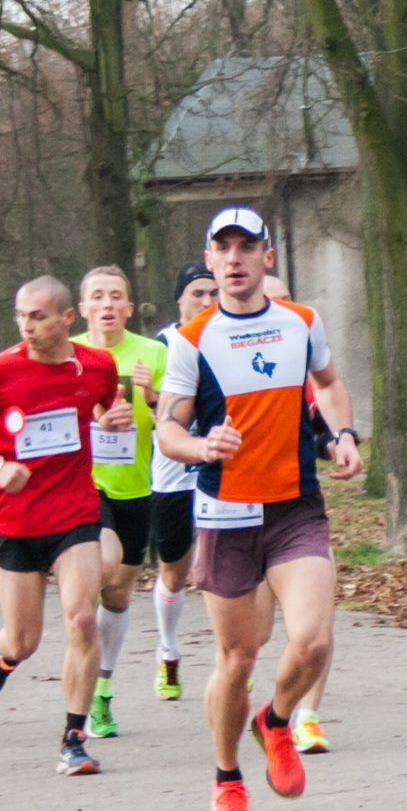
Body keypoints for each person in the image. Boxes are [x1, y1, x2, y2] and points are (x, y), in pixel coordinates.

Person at [156, 205, 363, 811]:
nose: (237, 257)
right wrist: (199, 447)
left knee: (313, 641)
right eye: (226, 248)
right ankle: (227, 782)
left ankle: (275, 722)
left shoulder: (301, 322)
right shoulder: (191, 339)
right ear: (212, 260)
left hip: (295, 506)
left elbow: (327, 384)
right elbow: (167, 429)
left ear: (266, 257)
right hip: (224, 514)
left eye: (249, 246)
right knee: (238, 656)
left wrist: (344, 432)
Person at [0, 275, 119, 776]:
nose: (27, 325)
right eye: (21, 315)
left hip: (74, 512)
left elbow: (101, 406)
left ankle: (73, 741)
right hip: (15, 518)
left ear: (66, 318)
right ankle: (2, 659)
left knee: (82, 618)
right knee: (24, 640)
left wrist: (110, 420)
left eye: (38, 316)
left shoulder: (97, 365)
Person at [73, 266, 167, 738]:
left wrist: (151, 395)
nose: (107, 304)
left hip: (137, 487)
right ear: (83, 308)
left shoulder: (152, 353)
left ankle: (102, 692)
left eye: (116, 296)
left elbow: (176, 417)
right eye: (98, 296)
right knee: (101, 569)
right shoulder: (66, 355)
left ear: (129, 309)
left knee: (118, 593)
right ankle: (80, 661)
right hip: (85, 486)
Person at [253, 273, 339, 754]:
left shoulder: (308, 377)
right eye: (273, 299)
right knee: (256, 634)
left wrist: (340, 443)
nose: (282, 307)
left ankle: (305, 717)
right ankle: (248, 690)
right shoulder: (232, 360)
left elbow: (321, 431)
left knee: (314, 628)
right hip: (240, 516)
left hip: (299, 513)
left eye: (288, 298)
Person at [146, 263, 219, 701]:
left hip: (218, 476)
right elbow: (152, 408)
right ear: (179, 299)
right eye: (197, 294)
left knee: (221, 571)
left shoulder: (226, 337)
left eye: (212, 294)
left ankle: (231, 660)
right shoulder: (163, 344)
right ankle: (168, 650)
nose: (206, 302)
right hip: (173, 478)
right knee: (174, 573)